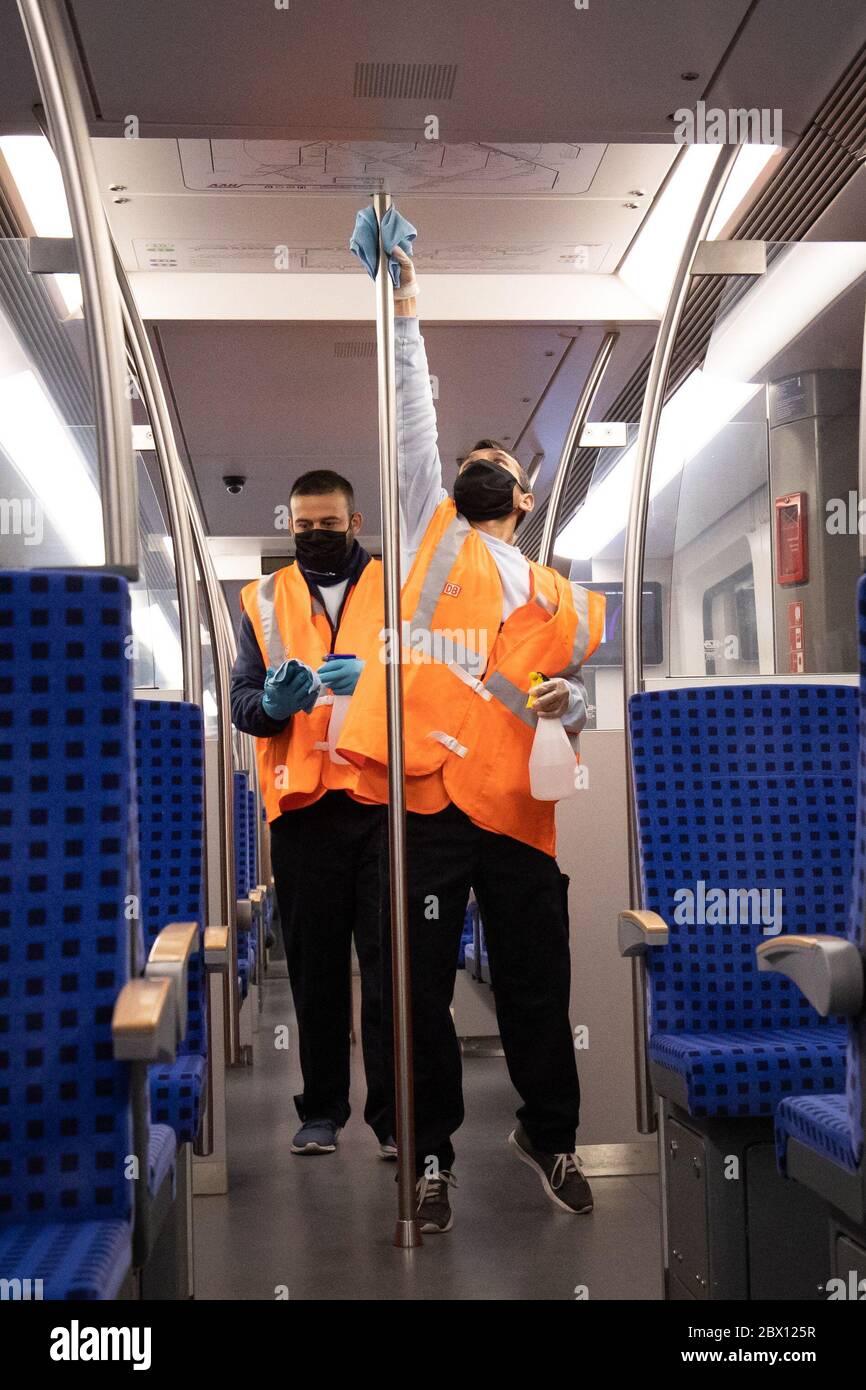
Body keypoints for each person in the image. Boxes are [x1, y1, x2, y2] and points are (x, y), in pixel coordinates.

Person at [337, 246, 605, 1232]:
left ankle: (549, 1131)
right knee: (418, 991)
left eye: (497, 468)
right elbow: (412, 416)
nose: (479, 472)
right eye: (467, 467)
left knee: (537, 984)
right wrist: (403, 299)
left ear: (525, 496)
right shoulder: (429, 534)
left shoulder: (560, 599)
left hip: (518, 809)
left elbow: (574, 706)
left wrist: (567, 708)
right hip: (424, 804)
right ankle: (429, 1153)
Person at [231, 469, 394, 1158]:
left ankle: (393, 1118)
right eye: (303, 528)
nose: (315, 538)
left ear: (355, 524)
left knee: (390, 970)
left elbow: (434, 683)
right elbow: (242, 701)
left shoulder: (399, 587)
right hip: (300, 810)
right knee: (314, 968)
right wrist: (271, 707)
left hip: (383, 802)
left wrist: (382, 684)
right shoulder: (263, 599)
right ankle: (321, 1109)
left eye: (328, 526)